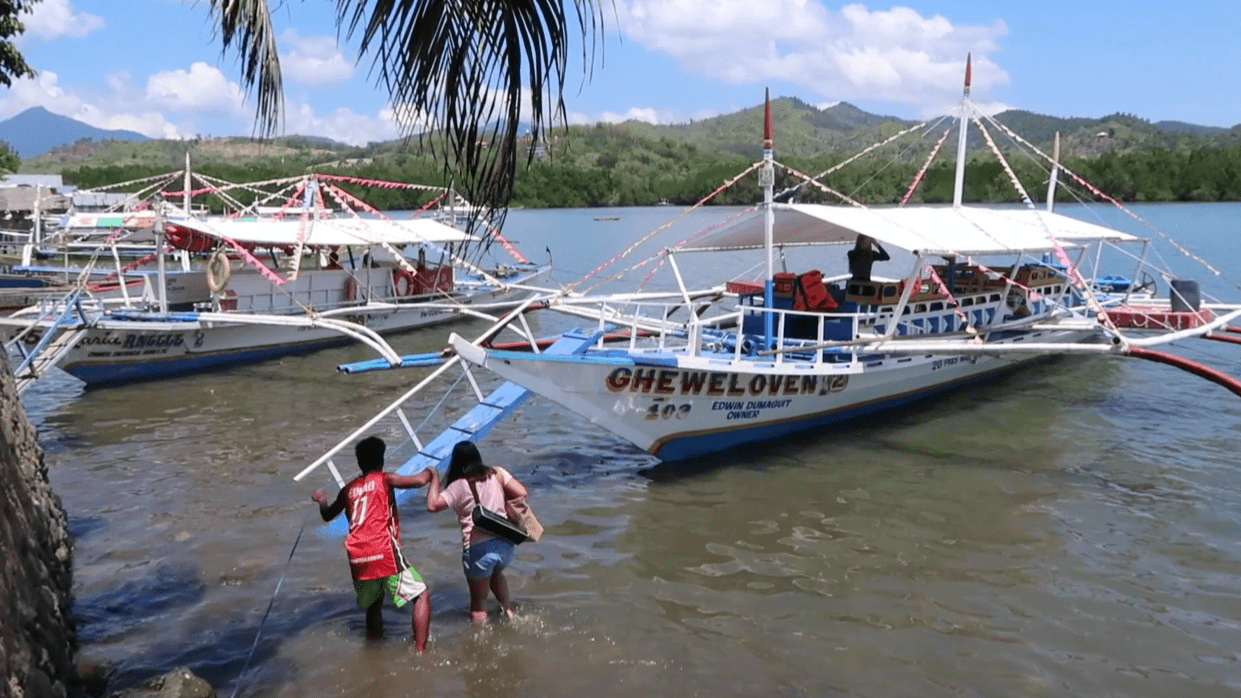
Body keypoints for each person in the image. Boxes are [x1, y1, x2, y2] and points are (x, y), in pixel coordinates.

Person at [311, 436, 435, 650]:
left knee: (373, 606)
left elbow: (328, 514)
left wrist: (322, 501)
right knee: (421, 596)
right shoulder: (385, 479)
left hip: (358, 556)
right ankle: (421, 653)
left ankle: (375, 652)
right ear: (382, 460)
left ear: (359, 462)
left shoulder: (348, 489)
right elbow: (420, 480)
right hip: (383, 551)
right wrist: (432, 471)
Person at [425, 441, 529, 624]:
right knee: (496, 574)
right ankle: (509, 612)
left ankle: (481, 644)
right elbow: (522, 492)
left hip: (479, 549)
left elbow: (433, 505)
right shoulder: (496, 473)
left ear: (456, 462)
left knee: (479, 603)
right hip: (506, 544)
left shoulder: (459, 485)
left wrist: (434, 477)